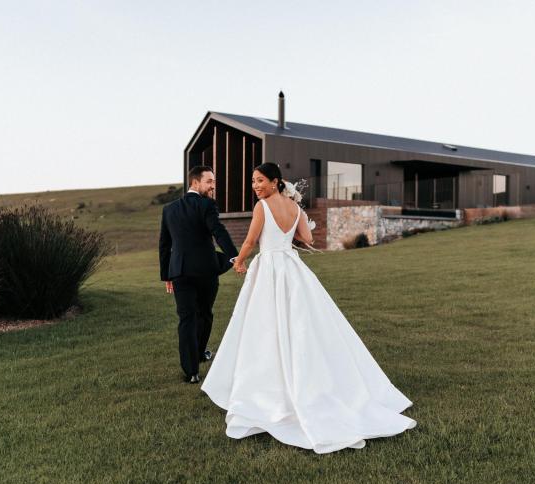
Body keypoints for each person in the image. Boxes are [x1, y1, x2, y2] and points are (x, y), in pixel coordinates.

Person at [201, 162, 416, 453]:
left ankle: (271, 391)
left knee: (266, 327)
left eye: (260, 180)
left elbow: (251, 240)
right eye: (253, 181)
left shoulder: (262, 207)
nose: (256, 186)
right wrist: (292, 228)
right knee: (300, 323)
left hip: (271, 270)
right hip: (293, 268)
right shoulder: (296, 208)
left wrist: (239, 261)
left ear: (276, 182)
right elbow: (308, 238)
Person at [158, 165, 238, 383]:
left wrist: (167, 275)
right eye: (209, 181)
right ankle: (200, 353)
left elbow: (164, 246)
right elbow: (218, 231)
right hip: (205, 270)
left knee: (187, 319)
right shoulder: (207, 204)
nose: (213, 186)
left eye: (214, 181)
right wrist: (233, 256)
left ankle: (191, 371)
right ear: (195, 183)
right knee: (204, 314)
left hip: (180, 272)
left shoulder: (169, 209)